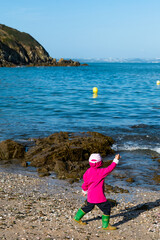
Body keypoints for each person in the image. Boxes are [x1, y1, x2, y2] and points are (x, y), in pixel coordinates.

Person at [74, 153, 120, 230]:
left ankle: (77, 217)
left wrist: (84, 190)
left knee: (89, 206)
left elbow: (85, 182)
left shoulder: (88, 171)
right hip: (99, 196)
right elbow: (110, 168)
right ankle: (105, 226)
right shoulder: (101, 172)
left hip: (90, 195)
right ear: (100, 162)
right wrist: (116, 160)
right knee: (106, 208)